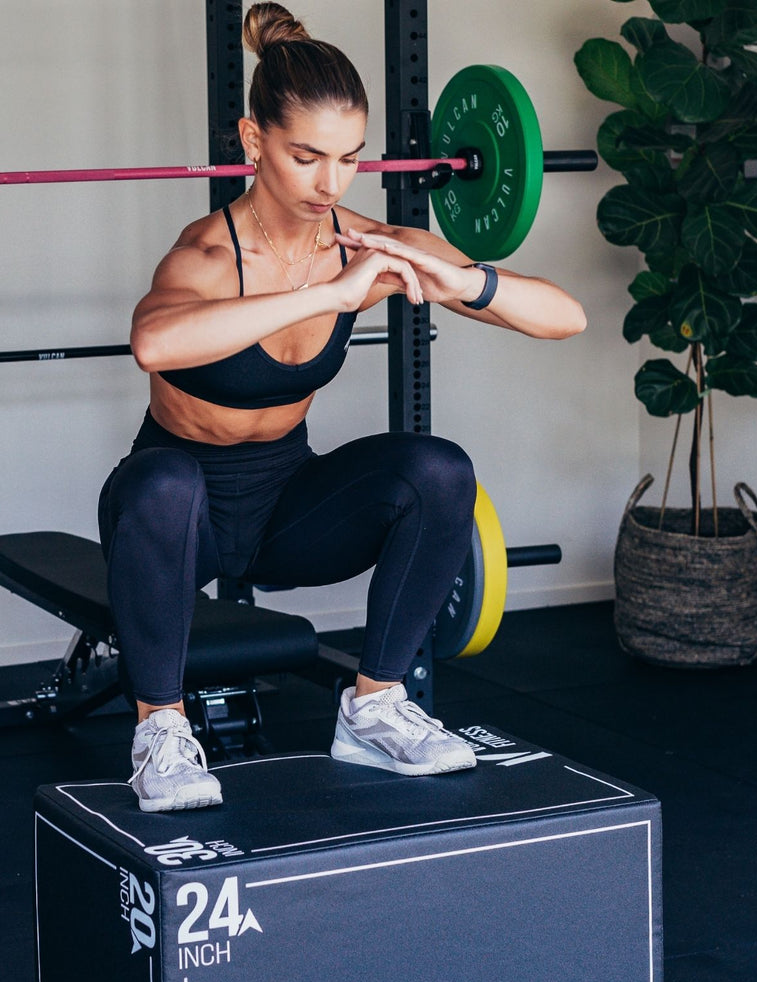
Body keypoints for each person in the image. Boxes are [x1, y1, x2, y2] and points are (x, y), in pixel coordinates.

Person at [100, 3, 586, 813]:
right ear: (254, 142)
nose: (330, 184)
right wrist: (330, 294)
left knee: (438, 471)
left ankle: (375, 706)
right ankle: (161, 731)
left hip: (286, 506)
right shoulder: (208, 253)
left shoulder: (366, 243)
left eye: (350, 158)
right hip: (175, 520)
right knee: (163, 482)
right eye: (306, 157)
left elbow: (565, 318)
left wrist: (460, 279)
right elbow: (153, 342)